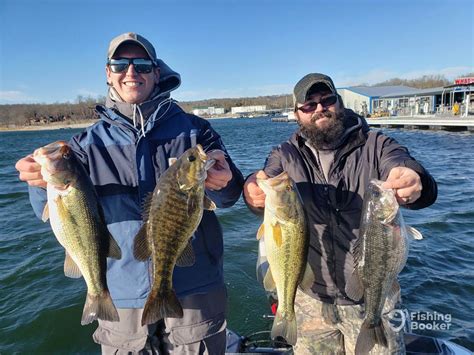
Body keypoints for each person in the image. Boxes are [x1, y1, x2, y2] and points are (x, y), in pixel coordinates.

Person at [15, 32, 244, 354]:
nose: (131, 72)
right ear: (108, 73)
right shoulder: (82, 145)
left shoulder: (196, 130)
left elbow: (229, 195)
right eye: (120, 64)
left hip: (196, 290)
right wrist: (39, 184)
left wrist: (226, 182)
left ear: (157, 72)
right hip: (120, 294)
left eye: (141, 65)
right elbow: (59, 211)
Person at [243, 73, 437, 354]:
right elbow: (265, 183)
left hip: (373, 297)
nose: (319, 108)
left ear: (340, 103)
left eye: (327, 100)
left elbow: (405, 166)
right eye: (308, 105)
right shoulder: (285, 154)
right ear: (296, 114)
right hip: (310, 298)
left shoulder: (377, 144)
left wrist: (413, 179)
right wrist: (252, 190)